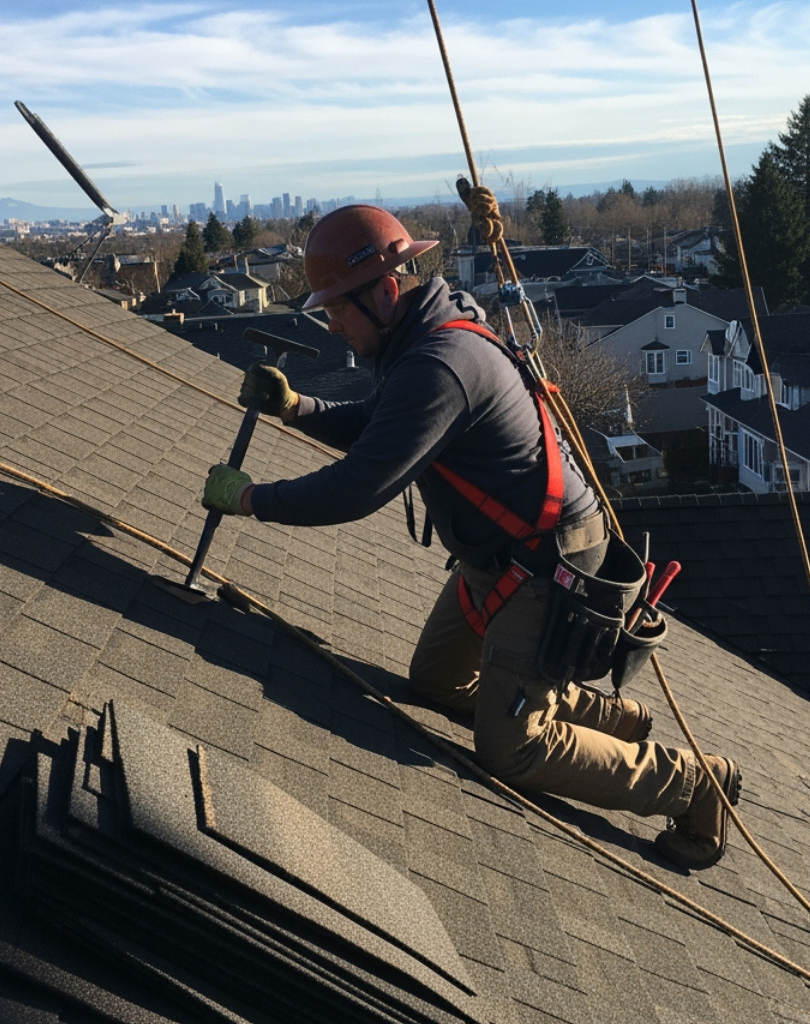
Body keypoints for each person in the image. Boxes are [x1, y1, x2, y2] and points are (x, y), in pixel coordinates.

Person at [200, 204, 740, 868]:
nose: (331, 323)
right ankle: (612, 721)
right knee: (434, 681)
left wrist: (250, 499)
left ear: (385, 292)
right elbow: (379, 423)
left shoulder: (440, 364)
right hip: (503, 559)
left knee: (512, 747)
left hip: (549, 570)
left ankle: (695, 784)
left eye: (338, 306)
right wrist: (295, 407)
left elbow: (357, 487)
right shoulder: (426, 340)